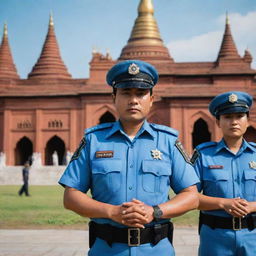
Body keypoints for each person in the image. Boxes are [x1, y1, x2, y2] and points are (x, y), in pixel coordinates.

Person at [59, 60, 199, 256]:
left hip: (156, 249)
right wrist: (111, 212)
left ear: (151, 99)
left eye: (140, 94)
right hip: (106, 249)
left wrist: (155, 211)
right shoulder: (94, 141)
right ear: (114, 97)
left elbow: (191, 196)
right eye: (126, 93)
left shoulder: (167, 142)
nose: (133, 100)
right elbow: (71, 197)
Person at [192, 91, 256, 256]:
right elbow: (189, 197)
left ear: (247, 120)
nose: (234, 122)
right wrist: (223, 203)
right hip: (215, 237)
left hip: (253, 236)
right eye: (227, 117)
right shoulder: (204, 155)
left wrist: (251, 206)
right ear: (218, 122)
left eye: (239, 116)